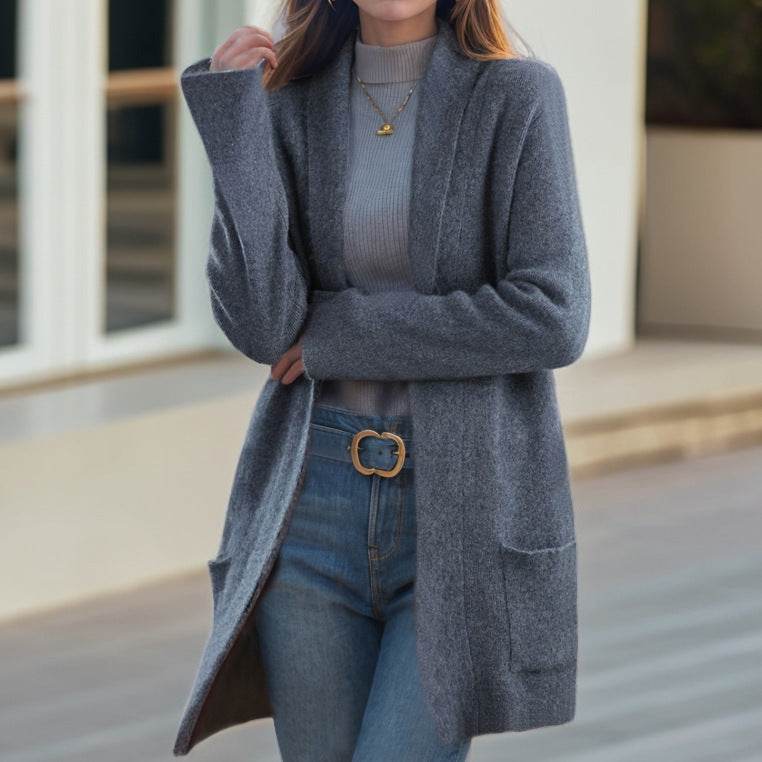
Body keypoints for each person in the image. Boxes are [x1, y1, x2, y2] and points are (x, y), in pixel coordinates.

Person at [174, 1, 591, 760]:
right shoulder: (288, 100)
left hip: (457, 510)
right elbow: (264, 326)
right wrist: (235, 123)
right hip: (311, 507)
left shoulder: (516, 96)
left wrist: (342, 335)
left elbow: (553, 315)